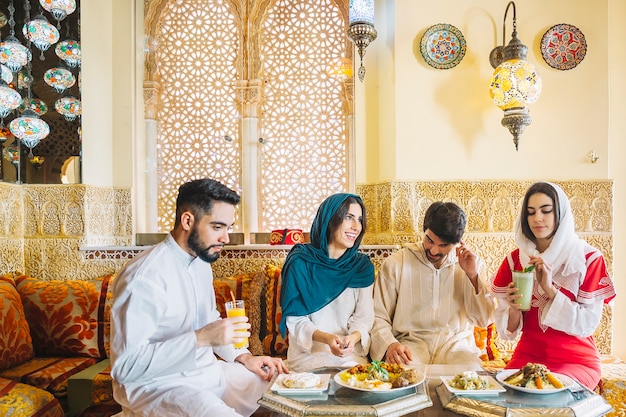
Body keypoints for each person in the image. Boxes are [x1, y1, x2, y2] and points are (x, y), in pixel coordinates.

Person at [110, 179, 288, 417]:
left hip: (208, 374)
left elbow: (210, 319)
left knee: (286, 391)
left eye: (228, 227)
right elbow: (126, 367)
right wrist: (201, 338)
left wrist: (243, 356)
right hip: (161, 388)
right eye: (217, 227)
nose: (226, 237)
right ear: (187, 221)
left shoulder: (201, 262)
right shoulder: (143, 276)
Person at [491, 181, 616, 390]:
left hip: (576, 360)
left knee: (553, 394)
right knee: (505, 395)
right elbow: (508, 332)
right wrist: (513, 308)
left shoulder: (587, 259)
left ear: (560, 213)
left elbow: (586, 325)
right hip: (528, 356)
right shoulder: (516, 261)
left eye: (546, 211)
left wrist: (549, 289)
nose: (537, 218)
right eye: (530, 212)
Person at [370, 201, 495, 366]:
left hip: (456, 346)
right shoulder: (396, 263)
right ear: (424, 230)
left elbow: (483, 320)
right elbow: (378, 315)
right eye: (429, 240)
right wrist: (390, 344)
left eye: (443, 245)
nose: (434, 251)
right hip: (410, 346)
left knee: (470, 376)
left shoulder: (472, 265)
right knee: (402, 376)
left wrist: (472, 275)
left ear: (458, 242)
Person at [279, 193, 375, 371]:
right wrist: (327, 339)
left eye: (360, 220)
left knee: (356, 384)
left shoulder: (361, 267)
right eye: (349, 217)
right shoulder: (300, 262)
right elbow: (295, 320)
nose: (356, 226)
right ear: (330, 219)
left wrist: (352, 338)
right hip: (308, 355)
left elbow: (364, 317)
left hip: (350, 355)